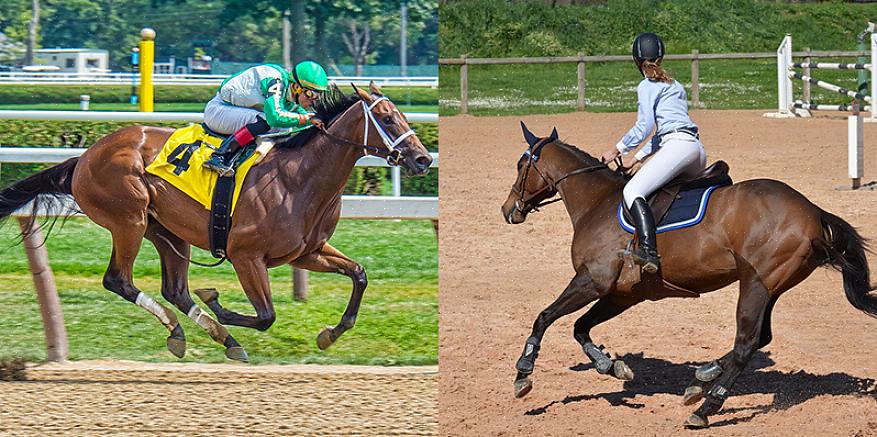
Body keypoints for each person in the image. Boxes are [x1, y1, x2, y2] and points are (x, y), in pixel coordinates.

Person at [600, 33, 707, 273]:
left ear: (636, 59)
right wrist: (636, 159)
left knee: (632, 190)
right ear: (661, 56)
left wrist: (616, 149)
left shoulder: (647, 85)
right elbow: (662, 134)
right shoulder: (674, 84)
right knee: (662, 193)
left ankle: (648, 251)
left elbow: (645, 127)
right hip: (696, 151)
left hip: (678, 147)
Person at [202, 60, 329, 176]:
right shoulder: (276, 82)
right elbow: (275, 117)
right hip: (218, 110)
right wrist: (305, 119)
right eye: (311, 94)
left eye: (318, 95)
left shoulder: (289, 94)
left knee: (284, 128)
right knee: (264, 121)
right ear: (296, 87)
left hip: (234, 110)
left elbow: (302, 118)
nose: (313, 100)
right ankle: (221, 156)